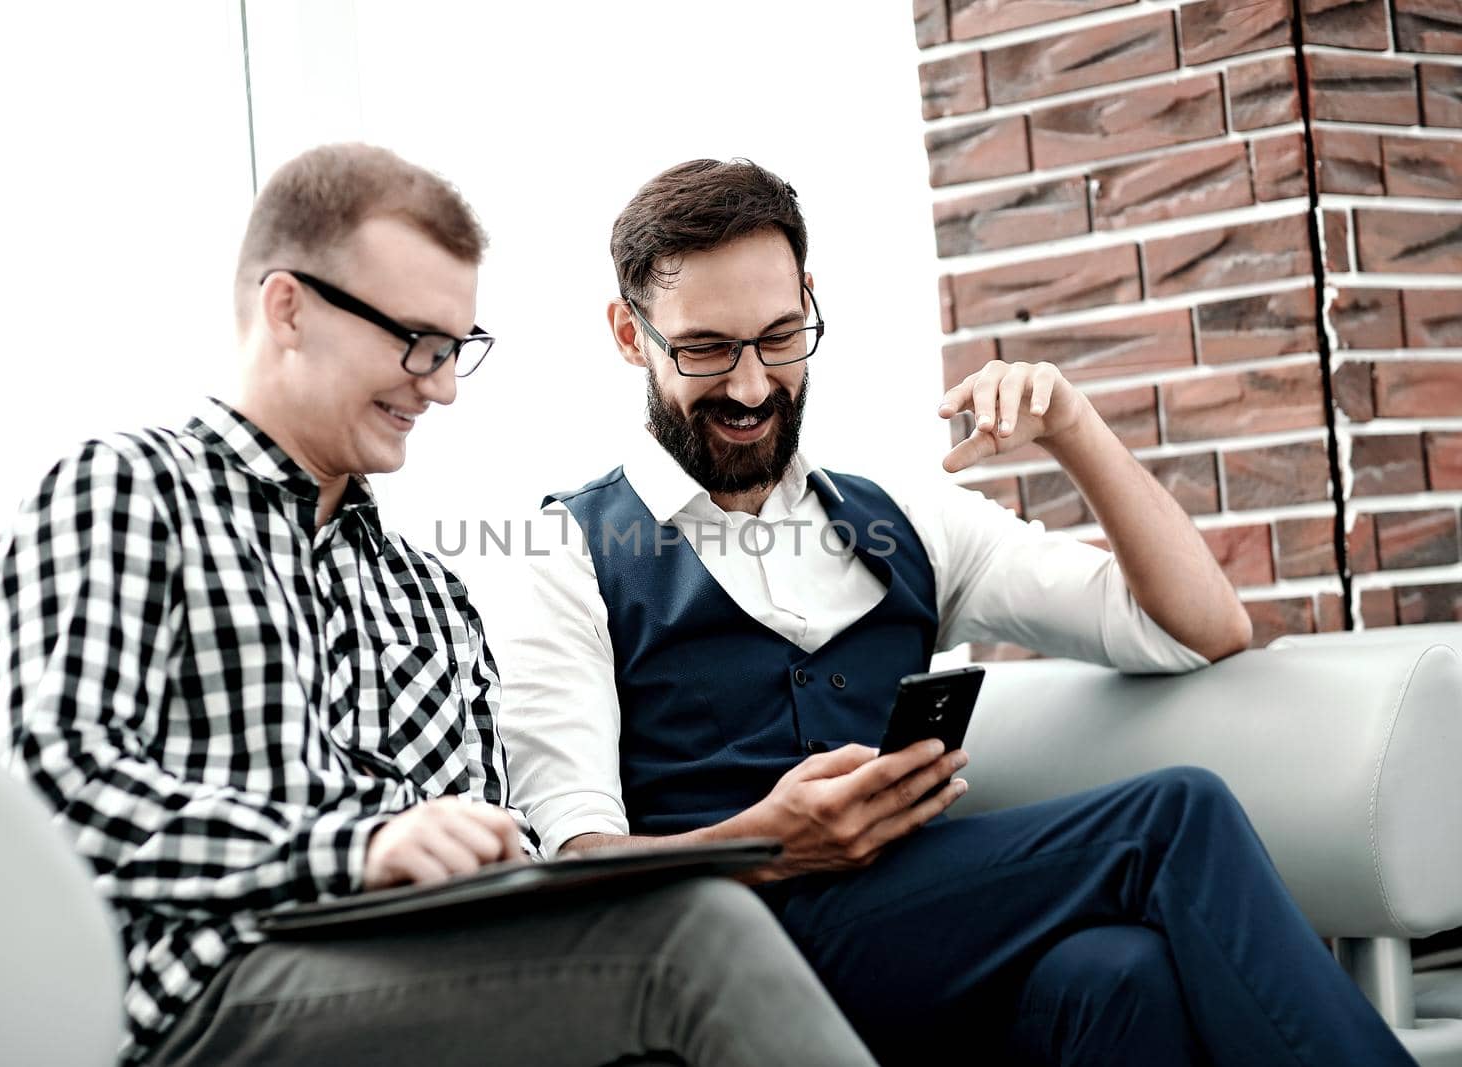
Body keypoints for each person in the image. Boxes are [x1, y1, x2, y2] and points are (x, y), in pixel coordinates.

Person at [499, 157, 1418, 1066]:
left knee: (1118, 974)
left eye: (780, 337)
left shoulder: (906, 518)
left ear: (810, 300)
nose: (750, 387)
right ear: (630, 334)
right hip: (723, 952)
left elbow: (1198, 628)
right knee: (1173, 814)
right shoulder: (568, 550)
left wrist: (1072, 427)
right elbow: (579, 867)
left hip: (915, 946)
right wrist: (762, 844)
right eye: (706, 349)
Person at [0, 144, 880, 1067]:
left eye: (457, 350)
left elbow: (475, 840)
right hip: (217, 996)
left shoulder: (425, 592)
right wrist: (356, 849)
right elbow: (65, 792)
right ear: (288, 308)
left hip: (423, 982)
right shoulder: (130, 492)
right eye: (416, 340)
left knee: (670, 959)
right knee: (694, 939)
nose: (443, 385)